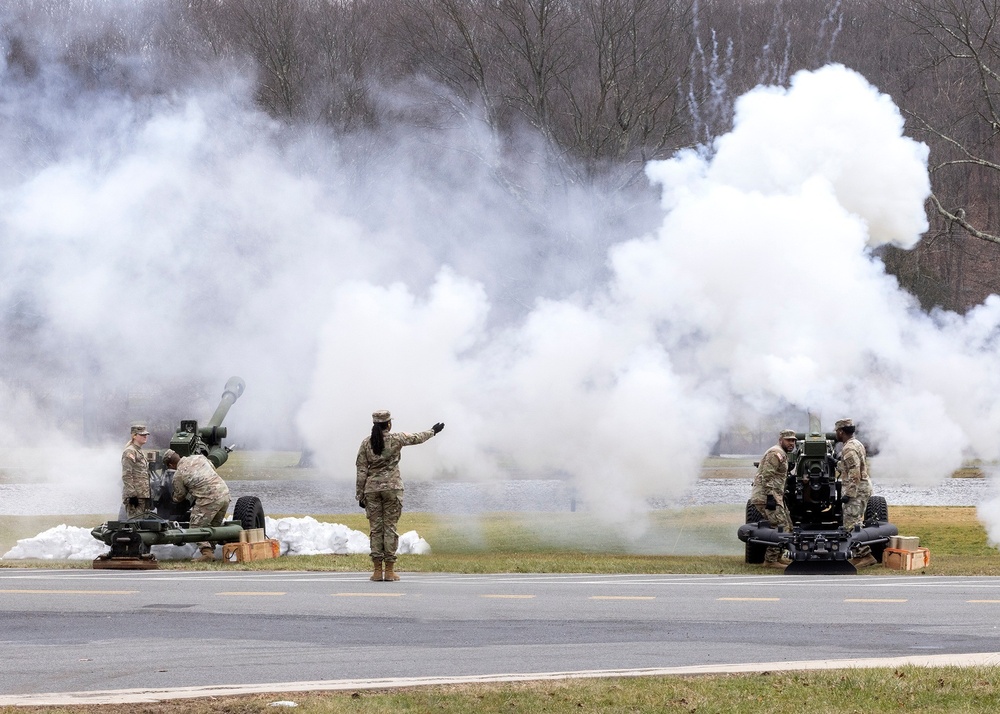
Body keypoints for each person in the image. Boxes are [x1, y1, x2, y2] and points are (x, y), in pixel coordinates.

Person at [356, 410, 444, 582]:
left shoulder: (366, 443)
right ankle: (389, 571)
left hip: (372, 490)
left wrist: (360, 495)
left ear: (374, 424)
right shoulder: (397, 438)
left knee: (375, 529)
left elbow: (361, 470)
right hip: (393, 489)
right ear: (388, 423)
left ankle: (376, 571)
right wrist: (433, 431)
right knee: (390, 528)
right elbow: (417, 438)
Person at [163, 449, 231, 562]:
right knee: (213, 525)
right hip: (224, 494)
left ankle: (207, 553)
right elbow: (212, 469)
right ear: (178, 455)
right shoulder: (199, 457)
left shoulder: (178, 474)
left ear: (170, 464)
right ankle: (211, 551)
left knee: (195, 527)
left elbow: (179, 496)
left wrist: (172, 497)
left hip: (209, 499)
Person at [750, 429, 797, 569]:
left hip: (774, 496)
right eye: (788, 440)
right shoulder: (775, 453)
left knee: (786, 525)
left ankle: (777, 557)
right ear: (781, 440)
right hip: (766, 496)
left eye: (793, 440)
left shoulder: (782, 454)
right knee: (780, 526)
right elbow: (767, 476)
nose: (791, 443)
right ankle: (770, 561)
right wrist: (770, 496)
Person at [835, 418, 876, 568]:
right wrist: (837, 463)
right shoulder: (856, 444)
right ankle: (860, 555)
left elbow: (854, 473)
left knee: (852, 524)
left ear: (841, 432)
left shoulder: (848, 449)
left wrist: (849, 494)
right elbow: (851, 466)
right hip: (862, 487)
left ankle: (865, 555)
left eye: (837, 432)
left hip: (857, 489)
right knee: (855, 521)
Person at [122, 424, 152, 519]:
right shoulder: (130, 452)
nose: (145, 436)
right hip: (135, 496)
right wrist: (132, 495)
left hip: (142, 495)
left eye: (146, 434)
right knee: (135, 524)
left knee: (142, 525)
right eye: (142, 435)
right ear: (134, 436)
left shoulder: (139, 451)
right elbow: (127, 474)